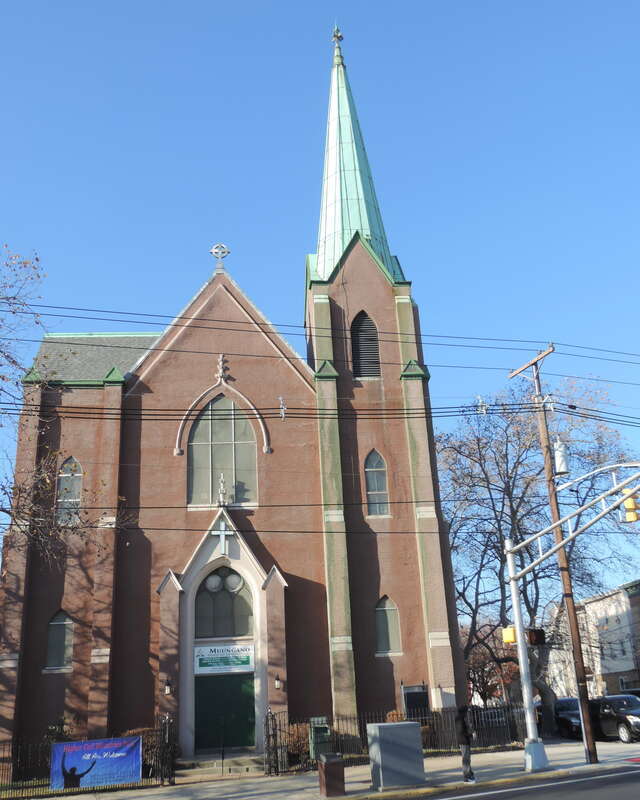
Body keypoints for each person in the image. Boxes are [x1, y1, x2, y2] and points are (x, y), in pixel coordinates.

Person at [455, 705, 476, 784]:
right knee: (466, 759)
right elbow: (462, 731)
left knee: (467, 759)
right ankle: (467, 777)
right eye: (466, 711)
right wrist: (471, 735)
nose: (467, 713)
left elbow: (462, 730)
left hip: (463, 741)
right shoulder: (460, 720)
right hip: (464, 741)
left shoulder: (459, 719)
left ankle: (470, 774)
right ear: (464, 712)